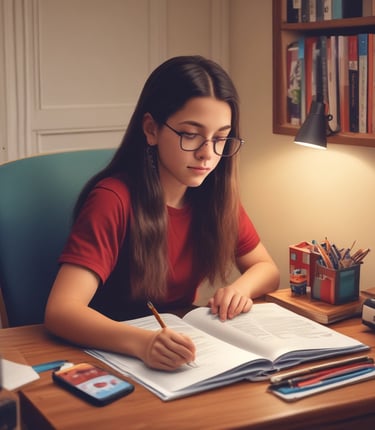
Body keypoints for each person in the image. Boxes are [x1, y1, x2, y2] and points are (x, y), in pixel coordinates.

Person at [44, 55, 280, 371]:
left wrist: (239, 289)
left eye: (221, 138)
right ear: (151, 129)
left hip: (180, 348)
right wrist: (143, 344)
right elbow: (61, 311)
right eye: (190, 134)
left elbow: (266, 268)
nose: (208, 154)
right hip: (112, 356)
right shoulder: (112, 200)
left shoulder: (215, 196)